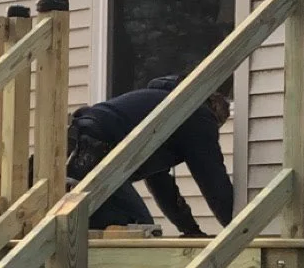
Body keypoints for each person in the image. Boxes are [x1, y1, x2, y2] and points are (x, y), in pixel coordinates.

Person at [67, 76, 233, 236]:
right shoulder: (198, 114)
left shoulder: (166, 110)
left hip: (76, 146)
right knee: (139, 230)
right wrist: (238, 227)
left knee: (86, 228)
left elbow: (162, 185)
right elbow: (213, 180)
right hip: (96, 151)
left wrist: (190, 229)